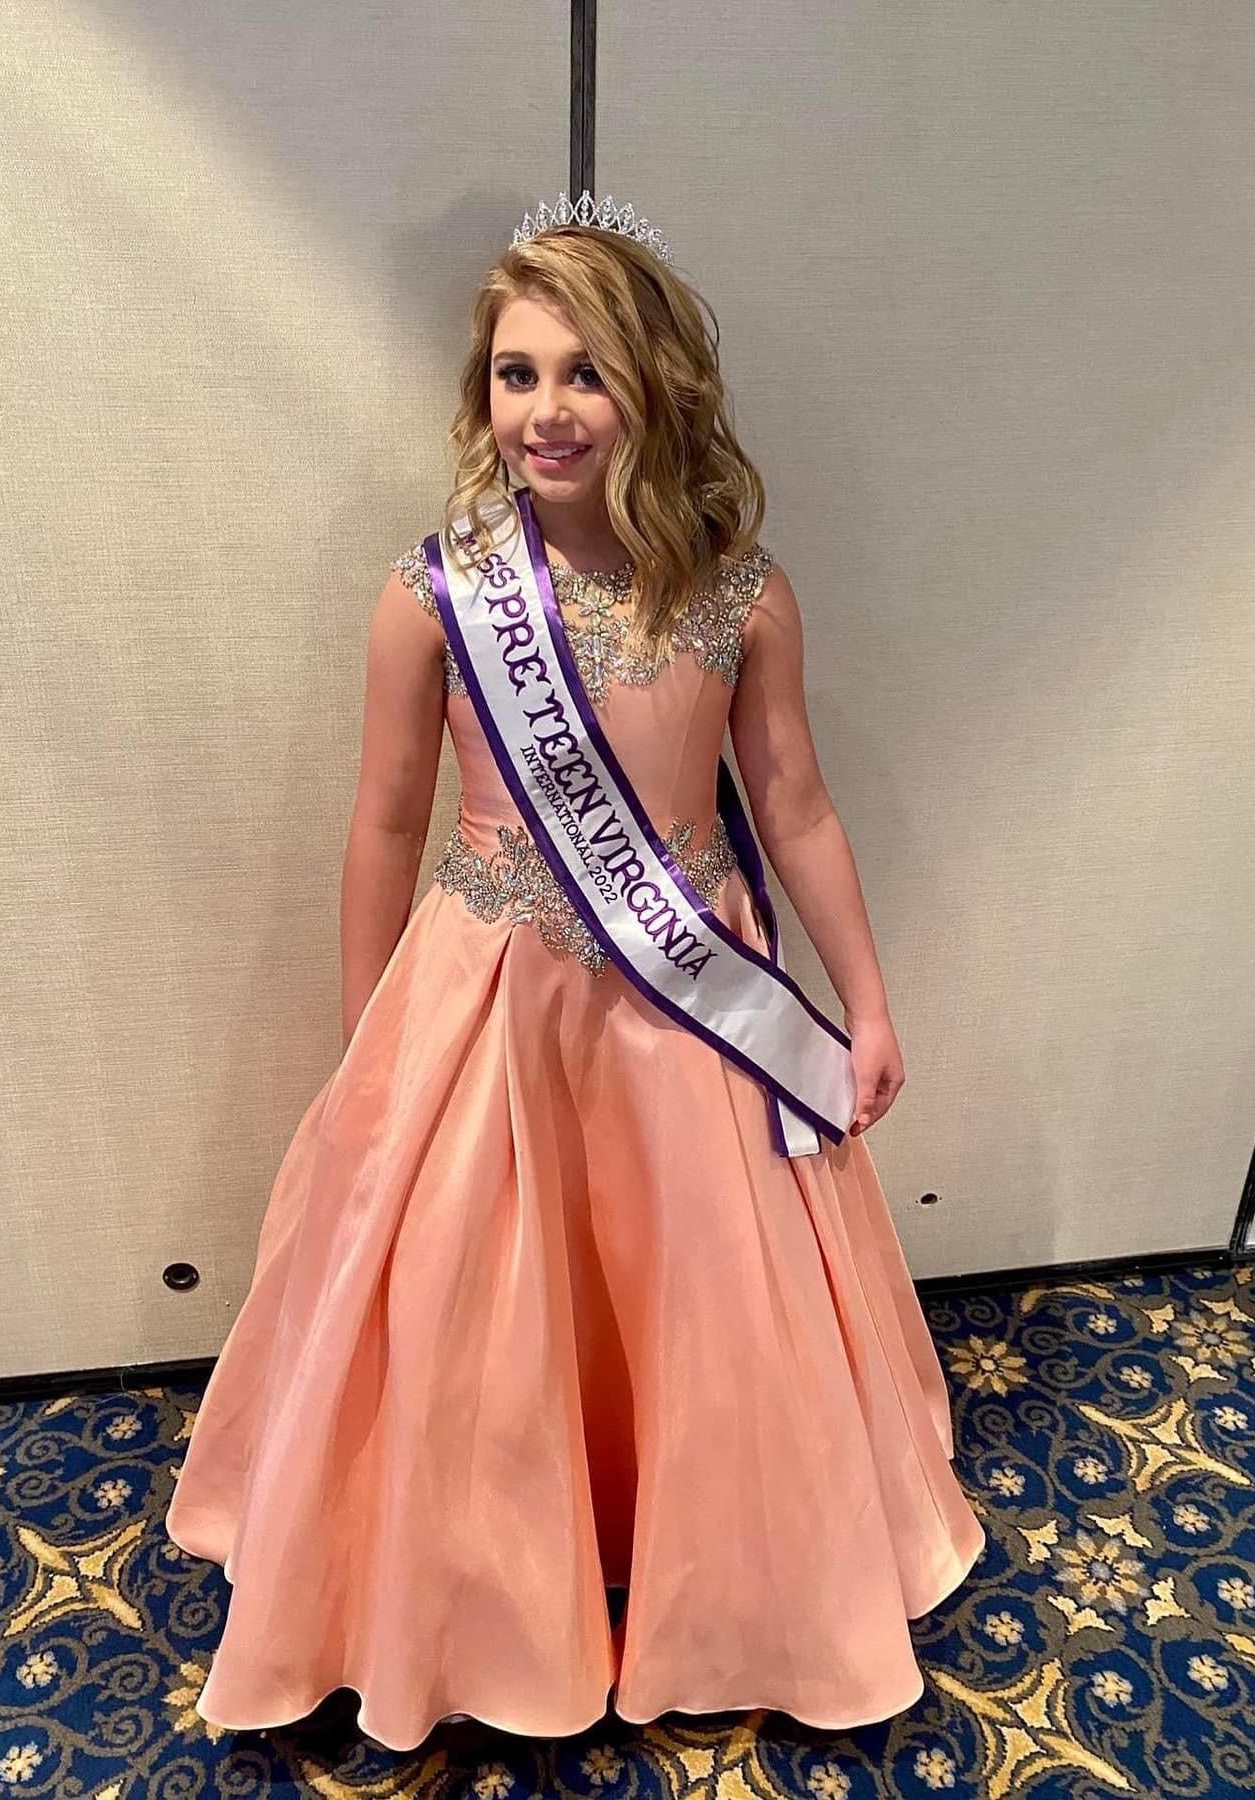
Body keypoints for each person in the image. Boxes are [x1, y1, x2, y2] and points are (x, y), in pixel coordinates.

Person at [164, 190, 986, 1752]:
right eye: (516, 373)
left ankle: (699, 1566)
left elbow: (796, 804)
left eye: (585, 372)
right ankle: (474, 1593)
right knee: (480, 1308)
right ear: (482, 395)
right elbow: (386, 822)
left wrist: (867, 1000)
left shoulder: (741, 592)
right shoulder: (434, 597)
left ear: (654, 389)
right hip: (487, 1001)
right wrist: (367, 1049)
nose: (548, 411)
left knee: (702, 1299)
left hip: (692, 1006)